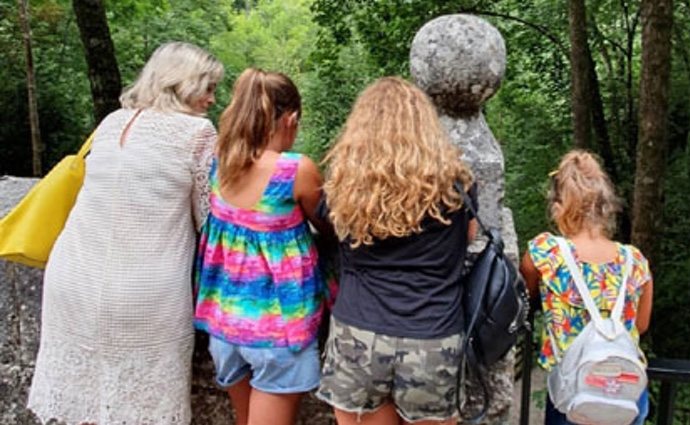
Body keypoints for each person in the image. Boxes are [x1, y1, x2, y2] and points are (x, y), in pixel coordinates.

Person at [27, 42, 224, 424]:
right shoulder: (197, 132)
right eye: (208, 88)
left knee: (84, 399)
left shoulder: (114, 121)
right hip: (145, 289)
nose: (213, 99)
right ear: (181, 84)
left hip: (72, 276)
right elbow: (210, 217)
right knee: (143, 407)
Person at [315, 76, 478, 425]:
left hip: (358, 335)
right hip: (433, 336)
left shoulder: (343, 186)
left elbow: (328, 230)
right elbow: (469, 236)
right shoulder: (457, 187)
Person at [193, 68, 334, 425]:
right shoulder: (295, 170)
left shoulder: (222, 160)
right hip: (277, 331)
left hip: (225, 325)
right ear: (292, 118)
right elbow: (329, 225)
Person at [519, 149, 654, 425]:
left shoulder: (546, 253)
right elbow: (640, 325)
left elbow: (526, 297)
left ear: (560, 205)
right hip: (625, 392)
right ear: (607, 206)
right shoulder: (635, 261)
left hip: (576, 390)